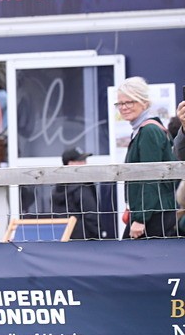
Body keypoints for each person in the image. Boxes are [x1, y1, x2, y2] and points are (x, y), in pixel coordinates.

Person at [116, 76, 176, 239]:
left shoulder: (149, 131)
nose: (124, 107)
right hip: (152, 212)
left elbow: (150, 177)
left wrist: (140, 218)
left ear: (144, 102)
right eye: (120, 103)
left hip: (154, 215)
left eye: (129, 102)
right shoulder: (143, 130)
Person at [50, 148, 103, 240]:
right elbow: (91, 215)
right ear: (70, 164)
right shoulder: (82, 187)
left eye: (85, 160)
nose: (85, 163)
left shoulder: (58, 187)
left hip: (64, 237)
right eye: (80, 161)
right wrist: (98, 235)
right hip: (86, 239)